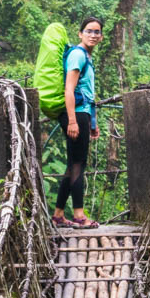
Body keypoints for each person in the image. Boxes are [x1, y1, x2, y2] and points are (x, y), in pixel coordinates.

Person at [52, 15, 103, 229]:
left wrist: (92, 122)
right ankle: (80, 215)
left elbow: (88, 93)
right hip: (75, 114)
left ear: (101, 37)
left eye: (97, 32)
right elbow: (69, 89)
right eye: (89, 31)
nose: (93, 35)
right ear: (80, 34)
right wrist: (73, 121)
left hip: (82, 114)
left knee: (73, 165)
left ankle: (58, 215)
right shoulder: (77, 55)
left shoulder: (86, 57)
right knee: (78, 165)